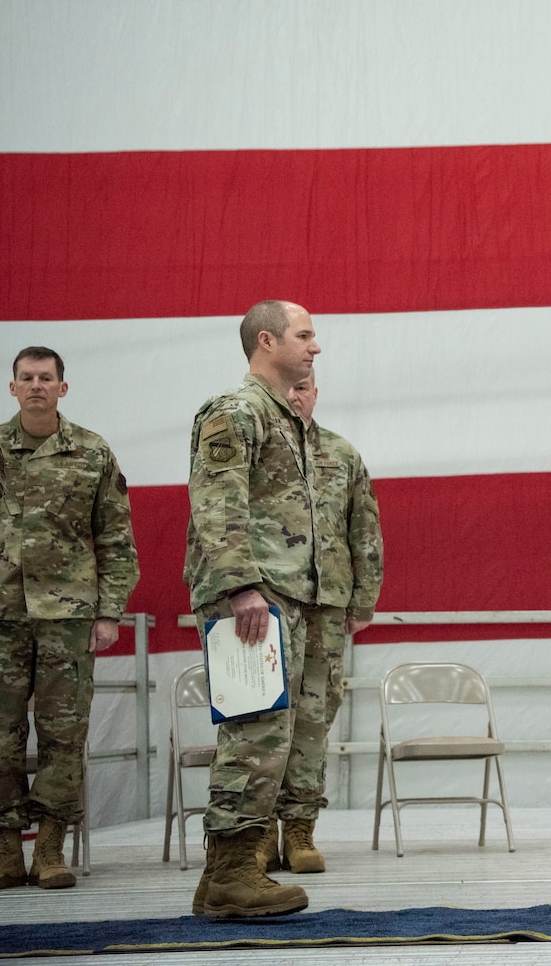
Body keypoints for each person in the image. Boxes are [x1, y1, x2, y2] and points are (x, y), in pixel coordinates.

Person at [0, 349, 139, 894]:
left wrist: (109, 610)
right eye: (28, 378)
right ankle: (2, 852)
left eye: (47, 378)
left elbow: (115, 539)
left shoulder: (92, 453)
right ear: (12, 387)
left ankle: (49, 848)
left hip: (68, 618)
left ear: (63, 388)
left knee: (64, 736)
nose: (37, 386)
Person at [184, 300, 321, 918]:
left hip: (277, 595)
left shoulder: (282, 417)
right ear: (267, 341)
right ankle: (234, 874)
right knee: (253, 733)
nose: (315, 347)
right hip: (249, 598)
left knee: (266, 732)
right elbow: (218, 502)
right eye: (304, 335)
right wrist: (241, 586)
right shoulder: (236, 411)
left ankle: (223, 879)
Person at [257, 370, 383, 875]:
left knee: (313, 719)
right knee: (264, 720)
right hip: (266, 605)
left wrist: (363, 601)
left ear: (316, 393)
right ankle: (259, 832)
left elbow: (365, 530)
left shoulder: (342, 454)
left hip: (326, 607)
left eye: (304, 387)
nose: (296, 395)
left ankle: (301, 831)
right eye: (288, 388)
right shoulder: (257, 448)